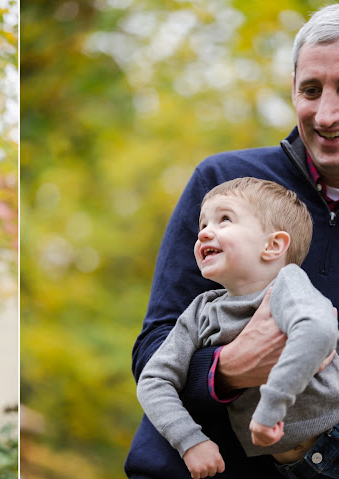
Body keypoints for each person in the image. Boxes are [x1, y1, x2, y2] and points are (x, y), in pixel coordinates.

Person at [125, 5, 339, 478]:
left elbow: (320, 335)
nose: (326, 115)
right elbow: (153, 355)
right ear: (292, 89)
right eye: (311, 89)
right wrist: (228, 369)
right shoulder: (224, 183)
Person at [137, 178, 339, 479]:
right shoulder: (200, 311)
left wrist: (272, 406)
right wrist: (190, 441)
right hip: (294, 468)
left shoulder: (288, 285)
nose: (204, 232)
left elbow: (319, 332)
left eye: (224, 220)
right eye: (202, 224)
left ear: (272, 245)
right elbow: (153, 379)